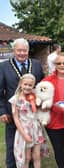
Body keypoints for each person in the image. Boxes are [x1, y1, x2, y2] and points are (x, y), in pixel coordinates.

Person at [0, 38, 44, 168]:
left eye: (24, 50)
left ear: (28, 51)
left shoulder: (36, 64)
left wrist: (42, 103)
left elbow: (41, 86)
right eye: (18, 50)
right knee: (12, 146)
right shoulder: (3, 67)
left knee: (31, 148)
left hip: (32, 117)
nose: (21, 53)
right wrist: (2, 111)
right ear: (13, 50)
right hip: (12, 115)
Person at [9, 73, 48, 168]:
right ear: (21, 84)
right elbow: (16, 119)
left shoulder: (35, 96)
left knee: (37, 155)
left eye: (30, 85)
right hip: (24, 130)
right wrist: (24, 135)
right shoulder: (15, 99)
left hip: (36, 129)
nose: (27, 87)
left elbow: (45, 93)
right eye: (25, 84)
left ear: (33, 85)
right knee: (27, 157)